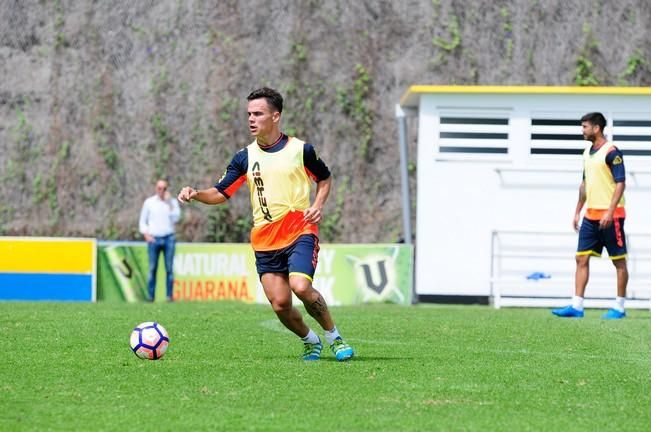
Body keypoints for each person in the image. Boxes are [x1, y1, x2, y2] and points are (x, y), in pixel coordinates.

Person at [177, 87, 354, 361]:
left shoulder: (301, 150)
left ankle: (335, 338)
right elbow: (221, 192)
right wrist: (196, 194)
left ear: (275, 116)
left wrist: (317, 206)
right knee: (281, 304)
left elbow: (325, 178)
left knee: (301, 286)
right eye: (249, 114)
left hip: (298, 228)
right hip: (265, 238)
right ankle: (310, 340)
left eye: (258, 113)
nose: (251, 119)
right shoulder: (244, 157)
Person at [552, 112, 628, 319]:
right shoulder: (587, 153)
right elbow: (584, 185)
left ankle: (619, 308)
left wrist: (610, 211)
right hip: (591, 216)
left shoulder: (612, 152)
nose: (582, 131)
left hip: (612, 216)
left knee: (618, 261)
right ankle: (577, 306)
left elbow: (620, 183)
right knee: (581, 258)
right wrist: (577, 211)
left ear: (596, 128)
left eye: (585, 127)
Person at [139, 179, 181, 302]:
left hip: (169, 238)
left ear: (167, 189)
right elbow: (142, 221)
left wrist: (170, 204)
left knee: (169, 269)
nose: (161, 191)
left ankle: (169, 296)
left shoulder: (172, 203)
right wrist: (146, 234)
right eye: (159, 188)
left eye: (164, 188)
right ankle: (151, 296)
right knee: (152, 269)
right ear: (156, 188)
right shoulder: (149, 202)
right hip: (154, 238)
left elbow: (176, 218)